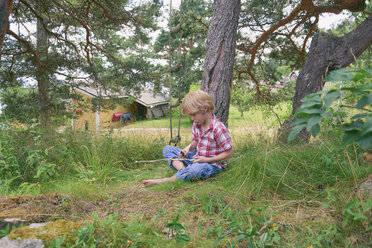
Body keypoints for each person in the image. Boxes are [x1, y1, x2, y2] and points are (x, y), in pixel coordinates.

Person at [142, 90, 233, 187]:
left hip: (212, 164)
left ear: (205, 108)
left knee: (196, 169)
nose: (192, 118)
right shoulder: (197, 124)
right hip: (197, 158)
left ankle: (167, 180)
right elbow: (196, 140)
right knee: (167, 149)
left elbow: (229, 152)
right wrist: (188, 148)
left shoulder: (218, 128)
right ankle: (183, 171)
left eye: (193, 114)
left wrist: (206, 160)